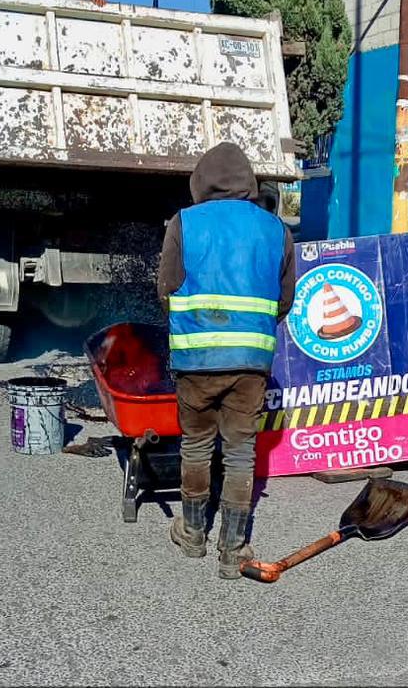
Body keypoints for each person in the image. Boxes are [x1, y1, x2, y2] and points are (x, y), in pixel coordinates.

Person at [156, 142, 295, 579]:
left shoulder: (185, 223)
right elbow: (284, 298)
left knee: (196, 445)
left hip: (196, 359)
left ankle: (192, 534)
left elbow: (166, 288)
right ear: (248, 184)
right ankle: (233, 550)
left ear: (201, 181)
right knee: (240, 452)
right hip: (251, 362)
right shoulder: (276, 229)